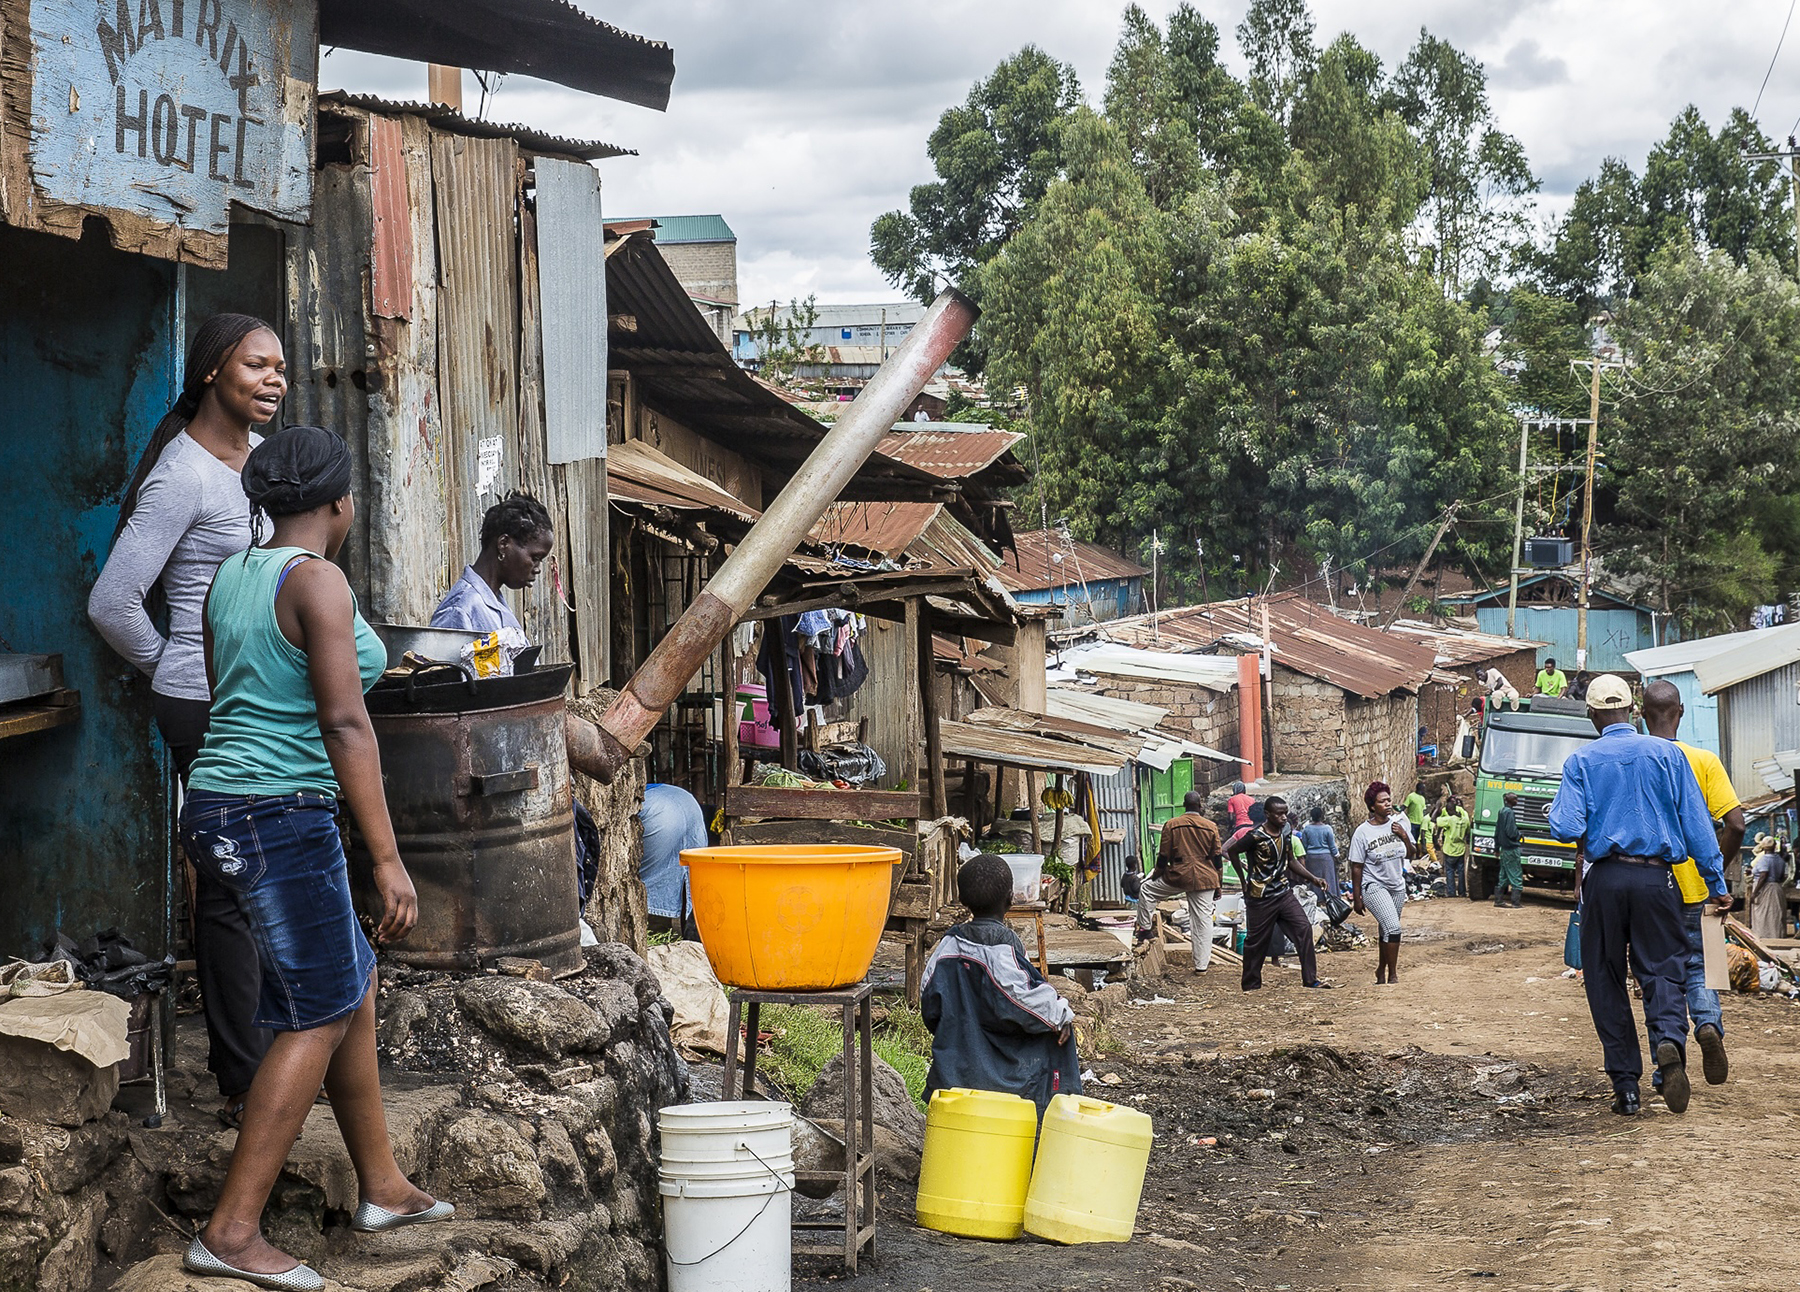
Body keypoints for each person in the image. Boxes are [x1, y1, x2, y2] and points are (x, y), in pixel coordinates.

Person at [179, 427, 450, 1288]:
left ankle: (383, 1186)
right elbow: (341, 723)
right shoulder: (320, 580)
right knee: (320, 1010)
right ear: (341, 504)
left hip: (221, 801)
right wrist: (388, 858)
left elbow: (239, 691)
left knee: (350, 980)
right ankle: (230, 1230)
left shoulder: (234, 574)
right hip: (277, 813)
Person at [88, 313, 287, 1129]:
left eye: (280, 368)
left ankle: (265, 1054)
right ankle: (242, 1077)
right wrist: (175, 663)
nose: (274, 380)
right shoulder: (183, 476)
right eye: (255, 366)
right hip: (203, 702)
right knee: (232, 887)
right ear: (212, 371)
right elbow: (111, 602)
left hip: (253, 697)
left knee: (265, 874)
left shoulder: (259, 464)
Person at [1547, 673, 1728, 1118]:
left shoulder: (1581, 762)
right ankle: (1669, 1044)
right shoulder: (1669, 755)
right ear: (1632, 710)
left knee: (1605, 977)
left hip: (1605, 880)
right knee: (1664, 969)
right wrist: (1717, 884)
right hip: (1658, 880)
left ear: (1593, 715)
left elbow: (1565, 826)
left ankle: (1626, 1088)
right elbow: (1698, 827)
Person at [1640, 679, 1743, 1087]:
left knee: (1657, 972)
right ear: (1680, 712)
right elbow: (1735, 823)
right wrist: (1713, 869)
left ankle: (1667, 1054)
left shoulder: (1638, 758)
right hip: (1698, 890)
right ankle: (1708, 1026)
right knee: (1699, 966)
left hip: (1650, 885)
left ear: (1642, 715)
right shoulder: (1704, 760)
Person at [921, 854, 1081, 1115]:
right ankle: (1053, 1115)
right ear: (1010, 898)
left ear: (962, 901)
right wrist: (1061, 1013)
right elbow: (1022, 999)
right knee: (1061, 1027)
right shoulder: (1000, 948)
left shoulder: (946, 946)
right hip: (1001, 1076)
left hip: (954, 1069)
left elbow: (929, 1009)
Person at [1223, 797, 1330, 991]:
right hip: (1260, 896)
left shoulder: (1287, 831)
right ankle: (1251, 985)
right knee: (1256, 941)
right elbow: (1232, 851)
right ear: (1267, 815)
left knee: (1304, 928)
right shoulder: (1255, 836)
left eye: (1285, 813)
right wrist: (1243, 879)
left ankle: (1310, 979)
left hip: (1283, 892)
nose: (1283, 817)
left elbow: (1291, 861)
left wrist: (1314, 878)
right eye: (1279, 814)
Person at [430, 491, 555, 646]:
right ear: (503, 544)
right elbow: (441, 669)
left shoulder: (497, 606)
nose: (537, 569)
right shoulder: (459, 609)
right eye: (535, 558)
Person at [1133, 791, 1223, 973]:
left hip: (1178, 875)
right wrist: (1218, 883)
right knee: (1203, 921)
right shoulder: (1211, 826)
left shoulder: (1172, 824)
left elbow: (1163, 856)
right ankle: (1201, 966)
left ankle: (1145, 929)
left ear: (1184, 805)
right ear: (1199, 806)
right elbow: (1218, 859)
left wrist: (1155, 875)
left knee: (1147, 890)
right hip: (1205, 878)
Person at [1349, 782, 1420, 984]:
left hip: (1397, 886)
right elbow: (1356, 867)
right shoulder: (1362, 832)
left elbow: (1412, 853)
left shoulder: (1399, 825)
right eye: (1383, 802)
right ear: (1373, 806)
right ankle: (1393, 974)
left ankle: (1381, 969)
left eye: (1389, 800)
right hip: (1373, 886)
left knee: (1386, 929)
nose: (1388, 804)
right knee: (1394, 928)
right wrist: (1357, 897)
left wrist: (1405, 837)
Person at [1749, 838, 1788, 941]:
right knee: (1775, 914)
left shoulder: (1764, 859)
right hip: (1777, 888)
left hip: (1765, 889)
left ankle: (1765, 938)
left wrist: (1755, 892)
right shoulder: (1780, 860)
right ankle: (1777, 937)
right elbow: (1784, 876)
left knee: (1764, 915)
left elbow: (1763, 875)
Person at [1299, 805, 1341, 898]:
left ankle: (1317, 899)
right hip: (1326, 858)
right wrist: (1337, 855)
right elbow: (1332, 845)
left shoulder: (1306, 829)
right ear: (1322, 816)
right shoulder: (1327, 828)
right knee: (1329, 878)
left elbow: (1304, 846)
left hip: (1312, 858)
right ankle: (1331, 898)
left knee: (1314, 879)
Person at [1435, 795, 1472, 898]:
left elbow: (1434, 820)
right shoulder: (1465, 819)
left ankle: (1451, 892)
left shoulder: (1450, 819)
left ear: (1450, 811)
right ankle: (1462, 892)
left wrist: (1437, 808)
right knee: (1461, 871)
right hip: (1460, 848)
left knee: (1450, 871)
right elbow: (1468, 832)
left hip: (1449, 848)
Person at [1494, 792, 1525, 907]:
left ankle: (1498, 900)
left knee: (1503, 875)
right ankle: (1516, 902)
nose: (1517, 801)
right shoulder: (1510, 813)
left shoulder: (1502, 811)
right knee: (1516, 874)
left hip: (1504, 850)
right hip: (1512, 849)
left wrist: (1496, 848)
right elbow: (1511, 831)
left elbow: (1497, 831)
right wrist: (1518, 835)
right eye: (1515, 799)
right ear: (1509, 800)